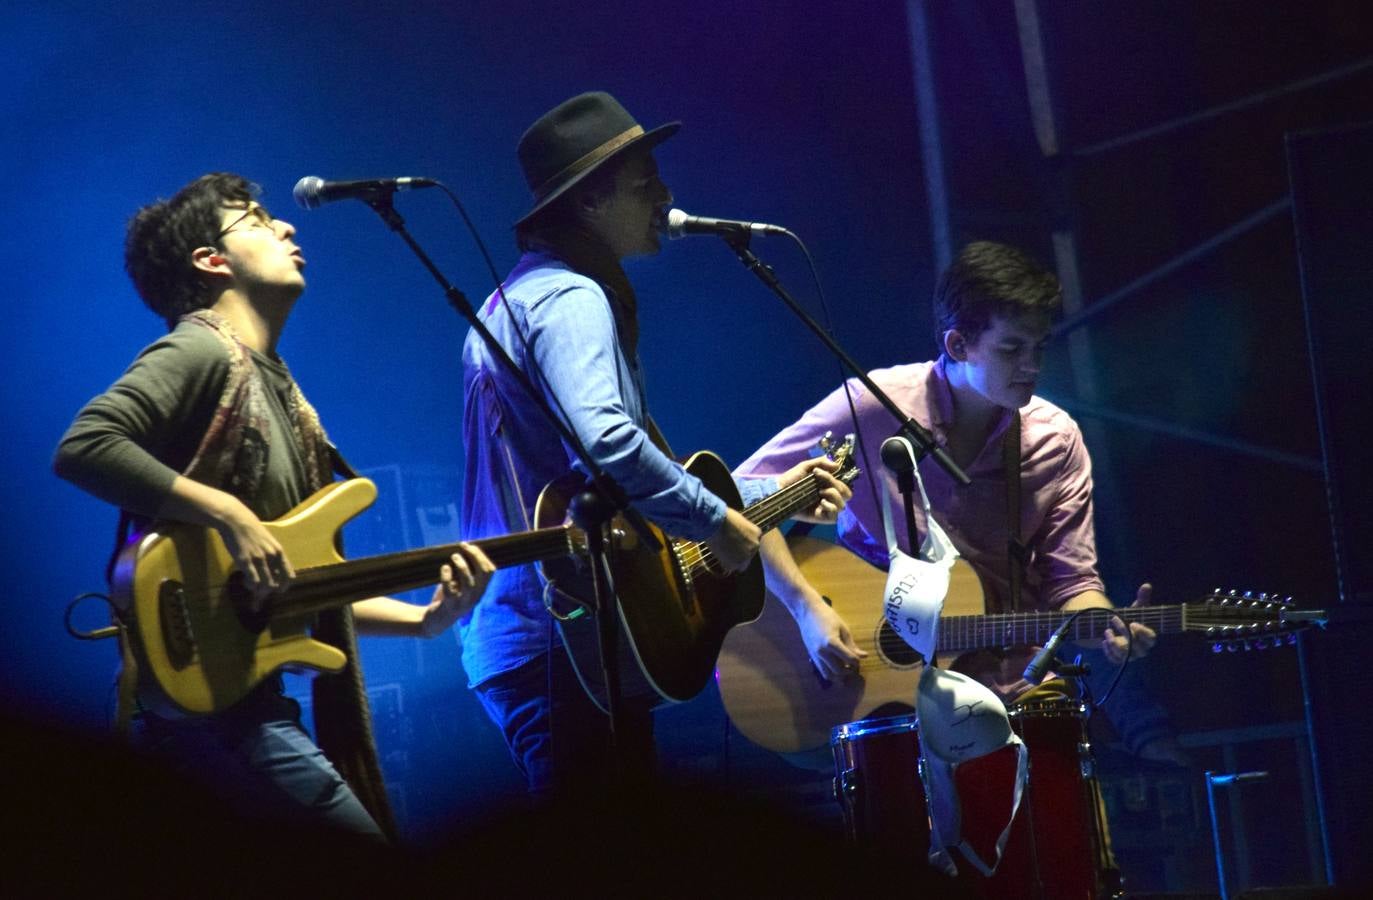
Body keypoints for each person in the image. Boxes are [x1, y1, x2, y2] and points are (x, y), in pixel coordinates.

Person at [53, 172, 496, 840]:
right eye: (257, 220)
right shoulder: (199, 347)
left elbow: (296, 586)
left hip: (245, 708)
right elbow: (85, 445)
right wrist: (231, 516)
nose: (286, 226)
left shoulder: (285, 397)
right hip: (216, 721)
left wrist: (425, 623)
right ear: (211, 260)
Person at [460, 92, 851, 796]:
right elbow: (606, 443)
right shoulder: (572, 298)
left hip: (548, 638)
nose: (666, 198)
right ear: (587, 203)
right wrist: (713, 518)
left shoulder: (517, 300)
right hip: (564, 641)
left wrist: (778, 494)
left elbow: (610, 487)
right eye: (646, 185)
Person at [735, 240, 1184, 762]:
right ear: (957, 344)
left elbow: (1073, 582)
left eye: (1039, 347)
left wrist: (1107, 626)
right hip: (880, 698)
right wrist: (808, 610)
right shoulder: (872, 404)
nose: (1032, 365)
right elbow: (745, 494)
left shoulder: (1055, 439)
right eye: (1012, 349)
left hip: (1017, 692)